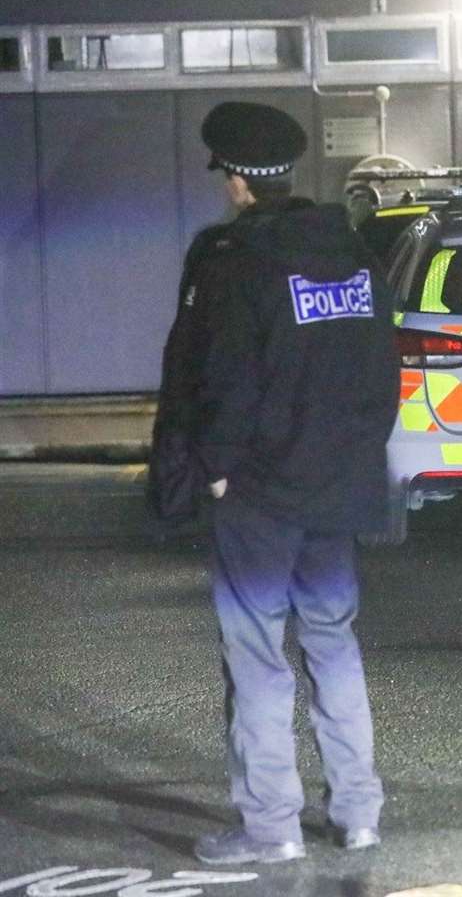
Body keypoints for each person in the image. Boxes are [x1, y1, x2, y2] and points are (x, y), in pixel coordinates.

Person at [153, 101, 398, 865]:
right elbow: (381, 370)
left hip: (261, 492)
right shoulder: (352, 256)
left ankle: (271, 830)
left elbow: (224, 378)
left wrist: (216, 471)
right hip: (337, 485)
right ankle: (358, 815)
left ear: (235, 182)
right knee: (332, 642)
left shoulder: (237, 260)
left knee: (257, 657)